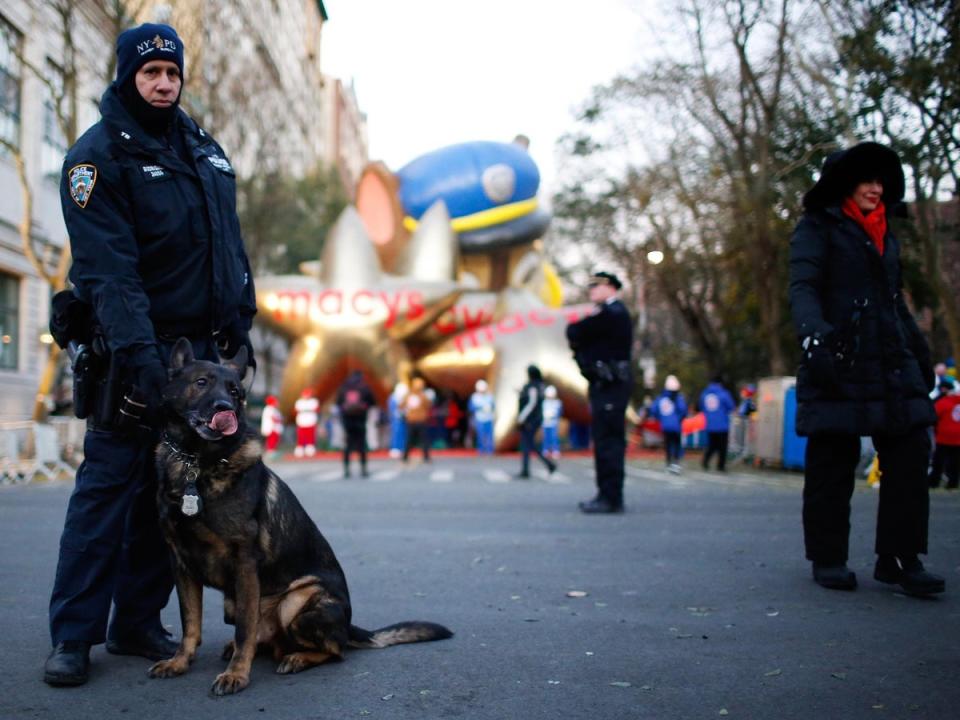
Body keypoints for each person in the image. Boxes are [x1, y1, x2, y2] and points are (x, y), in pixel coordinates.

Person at [44, 23, 257, 686]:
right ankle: (73, 637)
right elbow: (109, 271)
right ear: (127, 76)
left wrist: (239, 323)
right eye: (150, 73)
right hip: (133, 351)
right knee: (108, 490)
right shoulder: (97, 156)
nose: (163, 83)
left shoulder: (202, 149)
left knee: (170, 498)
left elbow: (228, 246)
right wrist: (140, 358)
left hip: (197, 361)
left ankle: (136, 622)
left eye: (172, 73)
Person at [789, 141, 944, 596]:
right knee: (831, 462)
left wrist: (920, 349)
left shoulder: (885, 233)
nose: (876, 189)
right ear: (844, 183)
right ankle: (828, 557)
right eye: (866, 180)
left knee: (912, 452)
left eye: (881, 181)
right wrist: (815, 337)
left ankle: (900, 558)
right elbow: (803, 287)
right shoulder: (816, 227)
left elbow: (893, 300)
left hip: (892, 360)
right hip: (838, 357)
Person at [566, 271, 633, 513]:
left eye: (597, 286)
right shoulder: (607, 314)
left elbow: (576, 331)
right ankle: (607, 493)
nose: (592, 291)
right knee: (604, 440)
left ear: (611, 288)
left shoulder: (613, 313)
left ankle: (611, 496)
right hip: (604, 384)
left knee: (608, 442)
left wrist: (579, 339)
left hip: (611, 384)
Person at [516, 365, 556, 478]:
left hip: (530, 419)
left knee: (527, 444)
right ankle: (543, 465)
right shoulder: (540, 385)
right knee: (528, 444)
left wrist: (521, 418)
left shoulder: (532, 386)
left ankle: (529, 469)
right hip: (536, 418)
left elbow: (531, 404)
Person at [336, 371, 375, 478]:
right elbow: (372, 402)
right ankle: (363, 469)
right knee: (361, 446)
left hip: (347, 421)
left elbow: (338, 404)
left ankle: (346, 470)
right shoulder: (364, 388)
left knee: (348, 446)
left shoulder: (344, 388)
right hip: (360, 420)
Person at [649, 375, 687, 474]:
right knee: (676, 444)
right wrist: (679, 419)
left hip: (665, 426)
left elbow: (653, 410)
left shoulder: (660, 398)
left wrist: (661, 419)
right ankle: (676, 464)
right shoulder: (678, 398)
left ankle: (668, 464)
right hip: (676, 426)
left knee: (668, 445)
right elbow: (683, 410)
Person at [699, 376, 736, 471]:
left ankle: (705, 461)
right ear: (720, 383)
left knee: (712, 445)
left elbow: (701, 407)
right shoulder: (724, 394)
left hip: (710, 424)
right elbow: (731, 407)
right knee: (722, 447)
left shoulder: (704, 394)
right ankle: (721, 465)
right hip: (722, 425)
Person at [929, 380, 960, 490]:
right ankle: (953, 482)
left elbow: (934, 415)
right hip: (958, 437)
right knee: (955, 462)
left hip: (944, 436)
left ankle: (934, 481)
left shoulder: (943, 402)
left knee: (938, 461)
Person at [402, 377, 432, 462]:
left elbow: (401, 406)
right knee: (420, 440)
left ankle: (406, 456)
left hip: (415, 420)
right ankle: (424, 457)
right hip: (416, 420)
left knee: (412, 439)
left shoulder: (410, 395)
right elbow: (428, 406)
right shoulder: (421, 396)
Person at [469, 379, 496, 455]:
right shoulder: (474, 397)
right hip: (479, 419)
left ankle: (490, 450)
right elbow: (471, 408)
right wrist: (480, 408)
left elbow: (493, 406)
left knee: (489, 436)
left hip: (488, 418)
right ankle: (481, 450)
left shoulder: (489, 396)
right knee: (480, 435)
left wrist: (489, 408)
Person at [294, 389, 319, 458]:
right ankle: (300, 450)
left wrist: (306, 410)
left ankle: (310, 450)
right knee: (301, 437)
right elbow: (296, 410)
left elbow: (316, 409)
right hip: (301, 422)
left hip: (311, 422)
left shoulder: (314, 401)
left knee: (310, 437)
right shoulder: (299, 402)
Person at [541, 385, 563, 459]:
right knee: (546, 437)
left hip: (553, 423)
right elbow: (542, 412)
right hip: (545, 423)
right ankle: (545, 450)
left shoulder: (557, 402)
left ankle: (555, 450)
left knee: (554, 437)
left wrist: (552, 415)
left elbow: (559, 412)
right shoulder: (544, 402)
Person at [387, 382, 408, 458]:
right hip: (396, 418)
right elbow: (392, 409)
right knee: (396, 433)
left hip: (403, 418)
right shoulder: (393, 397)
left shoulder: (404, 397)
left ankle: (402, 448)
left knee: (403, 433)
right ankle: (395, 448)